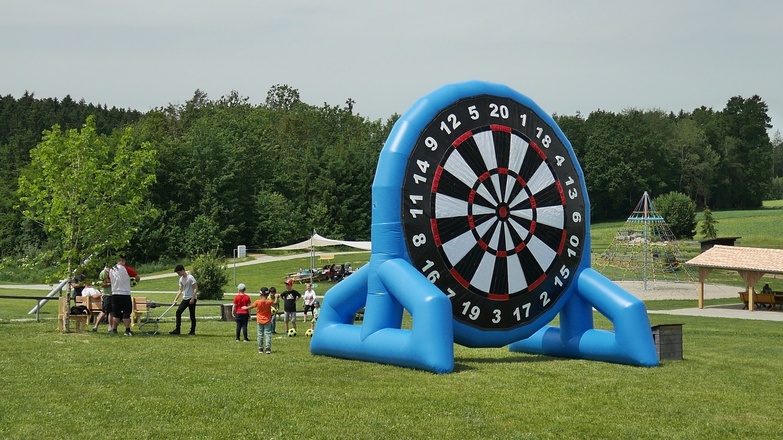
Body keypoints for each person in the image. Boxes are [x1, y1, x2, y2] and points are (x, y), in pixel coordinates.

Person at [109, 256, 140, 336]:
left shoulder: (111, 270)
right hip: (125, 293)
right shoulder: (126, 268)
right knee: (126, 312)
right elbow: (137, 277)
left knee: (116, 313)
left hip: (114, 293)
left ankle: (114, 329)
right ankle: (127, 330)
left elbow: (109, 279)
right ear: (123, 261)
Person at [244, 287, 278, 354]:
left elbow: (252, 306)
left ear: (260, 294)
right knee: (268, 334)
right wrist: (277, 297)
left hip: (259, 320)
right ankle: (268, 348)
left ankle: (260, 348)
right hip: (267, 320)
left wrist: (246, 307)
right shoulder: (269, 302)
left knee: (260, 334)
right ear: (268, 294)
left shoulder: (257, 302)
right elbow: (275, 303)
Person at [170, 264, 198, 335]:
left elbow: (196, 288)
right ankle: (177, 330)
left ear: (182, 270)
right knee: (178, 312)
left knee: (192, 315)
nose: (178, 274)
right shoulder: (181, 279)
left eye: (179, 272)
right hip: (185, 299)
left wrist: (192, 298)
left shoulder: (190, 278)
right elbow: (180, 290)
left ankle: (192, 331)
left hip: (192, 299)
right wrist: (175, 300)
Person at [93, 263, 113, 332]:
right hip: (107, 294)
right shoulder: (103, 273)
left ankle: (110, 327)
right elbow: (102, 285)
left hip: (113, 294)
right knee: (105, 311)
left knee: (112, 312)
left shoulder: (113, 271)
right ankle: (96, 326)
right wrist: (111, 284)